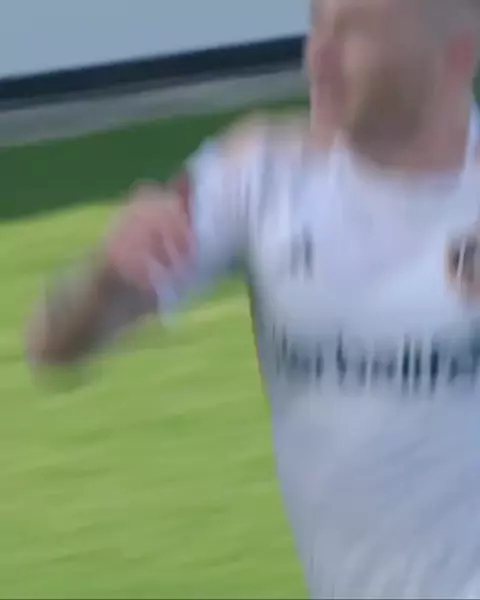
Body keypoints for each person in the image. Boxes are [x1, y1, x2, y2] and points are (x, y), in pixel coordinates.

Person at [26, 0, 480, 597]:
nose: (317, 59)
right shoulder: (262, 175)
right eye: (318, 25)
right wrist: (107, 275)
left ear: (455, 57)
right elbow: (54, 347)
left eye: (355, 37)